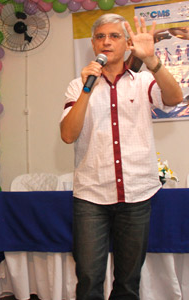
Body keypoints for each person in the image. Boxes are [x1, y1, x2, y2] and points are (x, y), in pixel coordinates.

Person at [60, 14, 182, 300]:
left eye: (114, 36)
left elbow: (175, 98)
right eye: (100, 37)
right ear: (92, 44)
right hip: (91, 195)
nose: (106, 41)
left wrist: (152, 60)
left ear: (128, 43)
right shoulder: (78, 87)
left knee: (128, 281)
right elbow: (68, 135)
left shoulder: (142, 81)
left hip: (137, 193)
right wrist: (88, 89)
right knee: (88, 278)